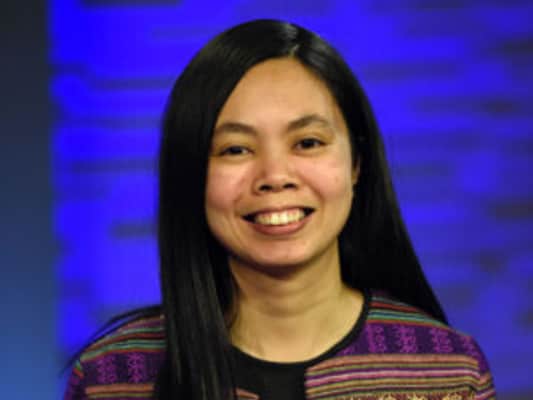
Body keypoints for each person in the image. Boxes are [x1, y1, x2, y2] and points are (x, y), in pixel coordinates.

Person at [64, 19, 496, 400]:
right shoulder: (113, 378)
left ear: (356, 164)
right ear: (192, 175)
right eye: (235, 149)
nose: (275, 176)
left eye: (307, 142)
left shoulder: (447, 372)